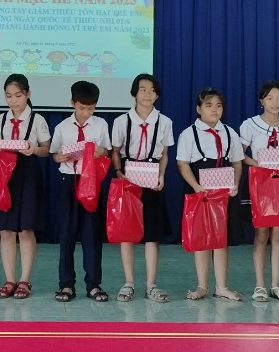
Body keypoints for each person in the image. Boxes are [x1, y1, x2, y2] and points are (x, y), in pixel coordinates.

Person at [109, 73, 174, 302]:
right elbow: (115, 151)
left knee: (152, 234)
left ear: (157, 95)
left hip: (152, 176)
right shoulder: (121, 121)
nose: (147, 94)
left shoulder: (165, 122)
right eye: (143, 89)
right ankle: (129, 283)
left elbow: (164, 154)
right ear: (134, 93)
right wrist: (119, 172)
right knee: (127, 232)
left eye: (152, 90)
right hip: (128, 177)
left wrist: (162, 175)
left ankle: (151, 284)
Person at [176, 87, 244, 301]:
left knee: (222, 239)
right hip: (201, 192)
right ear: (199, 109)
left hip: (224, 193)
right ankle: (202, 286)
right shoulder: (189, 134)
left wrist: (235, 183)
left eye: (218, 105)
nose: (214, 110)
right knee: (202, 238)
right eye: (208, 105)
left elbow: (237, 162)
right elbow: (182, 164)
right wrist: (196, 186)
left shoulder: (230, 133)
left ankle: (222, 286)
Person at [240, 81, 279, 303]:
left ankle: (276, 285)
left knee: (278, 234)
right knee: (261, 234)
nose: (275, 103)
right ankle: (260, 285)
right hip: (260, 183)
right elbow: (240, 154)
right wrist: (259, 164)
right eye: (269, 98)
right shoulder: (250, 125)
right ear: (261, 101)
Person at [0, 73, 50, 299]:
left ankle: (24, 280)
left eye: (18, 95)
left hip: (28, 173)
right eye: (8, 96)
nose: (13, 100)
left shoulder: (37, 119)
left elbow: (47, 149)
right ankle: (9, 280)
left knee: (25, 229)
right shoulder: (0, 120)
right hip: (5, 174)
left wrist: (33, 150)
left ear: (28, 94)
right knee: (6, 229)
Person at [50, 80, 111, 302]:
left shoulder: (101, 125)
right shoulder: (62, 127)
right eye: (82, 108)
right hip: (69, 180)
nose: (86, 113)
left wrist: (99, 151)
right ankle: (66, 284)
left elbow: (107, 151)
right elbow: (54, 154)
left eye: (91, 109)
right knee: (67, 233)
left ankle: (94, 284)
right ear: (72, 103)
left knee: (91, 233)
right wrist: (59, 157)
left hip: (91, 181)